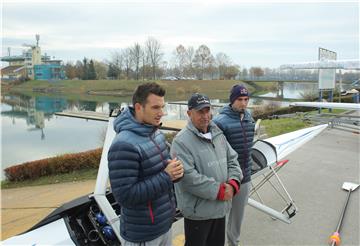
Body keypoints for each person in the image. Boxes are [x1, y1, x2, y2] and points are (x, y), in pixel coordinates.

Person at [108, 82, 184, 246]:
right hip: (143, 235)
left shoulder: (154, 132)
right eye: (155, 108)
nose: (161, 113)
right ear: (138, 107)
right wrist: (166, 176)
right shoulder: (123, 145)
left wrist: (176, 173)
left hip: (164, 225)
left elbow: (163, 173)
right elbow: (125, 196)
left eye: (162, 107)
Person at [170, 93, 243, 246]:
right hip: (199, 213)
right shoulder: (181, 142)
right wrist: (221, 191)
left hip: (220, 208)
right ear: (189, 113)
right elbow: (188, 178)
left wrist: (233, 183)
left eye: (207, 110)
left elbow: (233, 160)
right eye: (200, 112)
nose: (205, 116)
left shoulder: (218, 134)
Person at [213, 84, 255, 246]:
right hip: (226, 178)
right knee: (221, 216)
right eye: (240, 100)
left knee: (238, 216)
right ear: (232, 100)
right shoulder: (219, 122)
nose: (244, 103)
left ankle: (233, 243)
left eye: (246, 100)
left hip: (245, 176)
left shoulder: (249, 117)